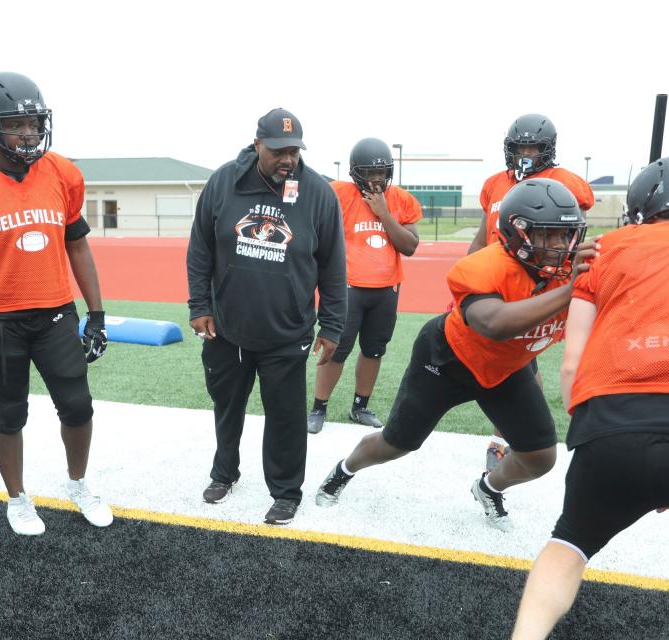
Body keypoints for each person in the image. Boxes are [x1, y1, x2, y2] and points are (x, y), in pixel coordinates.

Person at [512, 156, 669, 639]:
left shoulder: (604, 251)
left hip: (612, 429)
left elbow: (573, 364)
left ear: (642, 207)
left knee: (568, 546)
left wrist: (599, 439)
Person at [316, 178, 595, 532]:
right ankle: (345, 469)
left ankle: (488, 487)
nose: (561, 245)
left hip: (505, 370)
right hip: (447, 361)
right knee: (396, 444)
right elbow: (494, 324)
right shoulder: (483, 266)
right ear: (517, 233)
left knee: (540, 456)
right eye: (548, 235)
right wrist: (571, 291)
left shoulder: (568, 273)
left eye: (566, 235)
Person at [0, 72, 112, 536]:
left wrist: (97, 315)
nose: (29, 132)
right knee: (9, 412)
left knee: (78, 405)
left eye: (33, 121)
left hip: (54, 312)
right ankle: (17, 498)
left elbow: (78, 247)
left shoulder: (62, 174)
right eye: (16, 123)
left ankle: (78, 484)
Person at [187, 107, 347, 525]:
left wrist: (331, 326)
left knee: (286, 417)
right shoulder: (224, 182)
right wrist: (199, 306)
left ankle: (286, 491)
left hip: (287, 331)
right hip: (227, 327)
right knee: (227, 405)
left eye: (294, 151)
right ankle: (224, 473)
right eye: (278, 151)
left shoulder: (318, 193)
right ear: (257, 145)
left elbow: (333, 268)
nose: (288, 159)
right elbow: (201, 248)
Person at [469, 113, 595, 473]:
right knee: (512, 362)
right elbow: (482, 237)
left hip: (539, 280)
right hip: (496, 280)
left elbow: (574, 233)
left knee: (524, 360)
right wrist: (466, 281)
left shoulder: (563, 181)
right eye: (519, 147)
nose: (525, 153)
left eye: (533, 147)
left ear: (547, 150)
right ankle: (517, 433)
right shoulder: (494, 183)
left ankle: (507, 437)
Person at [307, 138, 421, 434]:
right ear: (355, 172)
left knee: (373, 350)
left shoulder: (401, 200)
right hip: (348, 288)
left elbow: (409, 246)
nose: (376, 179)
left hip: (386, 289)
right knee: (336, 348)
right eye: (370, 173)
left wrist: (383, 212)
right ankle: (318, 407)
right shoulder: (338, 194)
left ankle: (360, 406)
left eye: (381, 172)